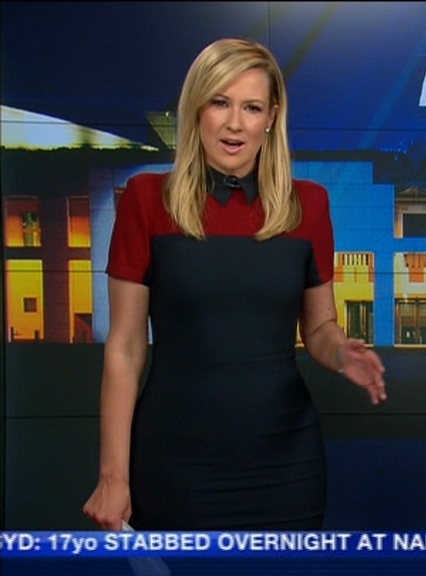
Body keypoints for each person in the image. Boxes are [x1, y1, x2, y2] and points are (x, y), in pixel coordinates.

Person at [82, 38, 387, 530]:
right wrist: (113, 476)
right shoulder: (146, 199)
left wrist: (340, 354)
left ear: (271, 117)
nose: (234, 123)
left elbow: (319, 327)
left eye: (251, 107)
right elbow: (125, 347)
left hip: (285, 463)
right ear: (196, 109)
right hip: (174, 462)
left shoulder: (308, 205)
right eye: (220, 103)